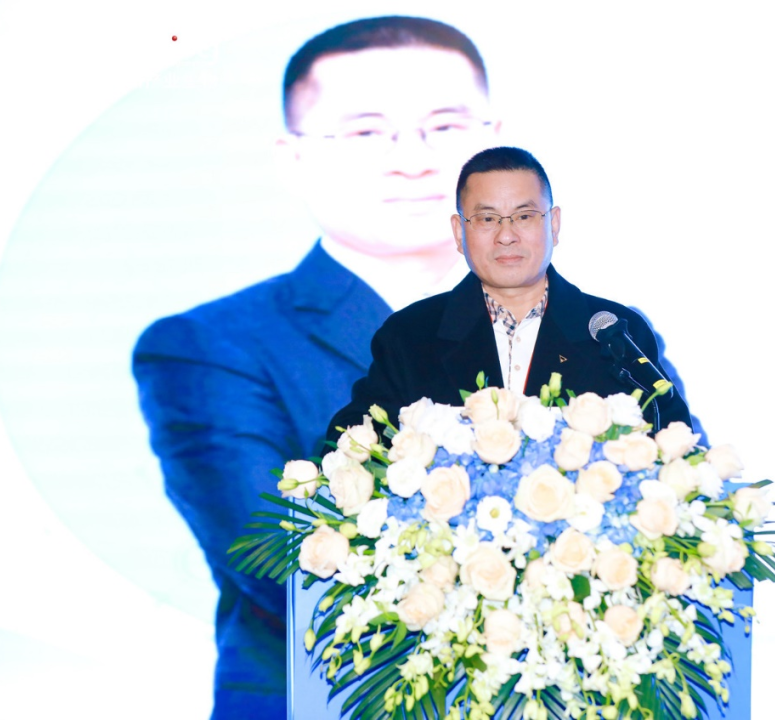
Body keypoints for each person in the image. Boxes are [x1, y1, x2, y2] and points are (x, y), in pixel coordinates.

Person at [132, 16, 502, 720]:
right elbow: (283, 564)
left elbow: (688, 532)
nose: (413, 160)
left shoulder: (599, 333)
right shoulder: (209, 347)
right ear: (293, 156)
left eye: (448, 127)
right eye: (366, 133)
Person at [327, 146, 692, 439]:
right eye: (487, 219)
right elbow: (352, 446)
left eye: (524, 216)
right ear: (458, 232)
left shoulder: (613, 332)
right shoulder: (409, 336)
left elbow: (674, 441)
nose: (506, 236)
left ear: (554, 224)